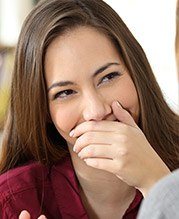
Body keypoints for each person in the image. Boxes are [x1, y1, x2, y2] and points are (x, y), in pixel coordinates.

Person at [0, 0, 178, 218]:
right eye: (65, 93)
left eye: (108, 77)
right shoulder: (13, 200)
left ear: (135, 72)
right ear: (43, 111)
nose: (96, 111)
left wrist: (158, 183)